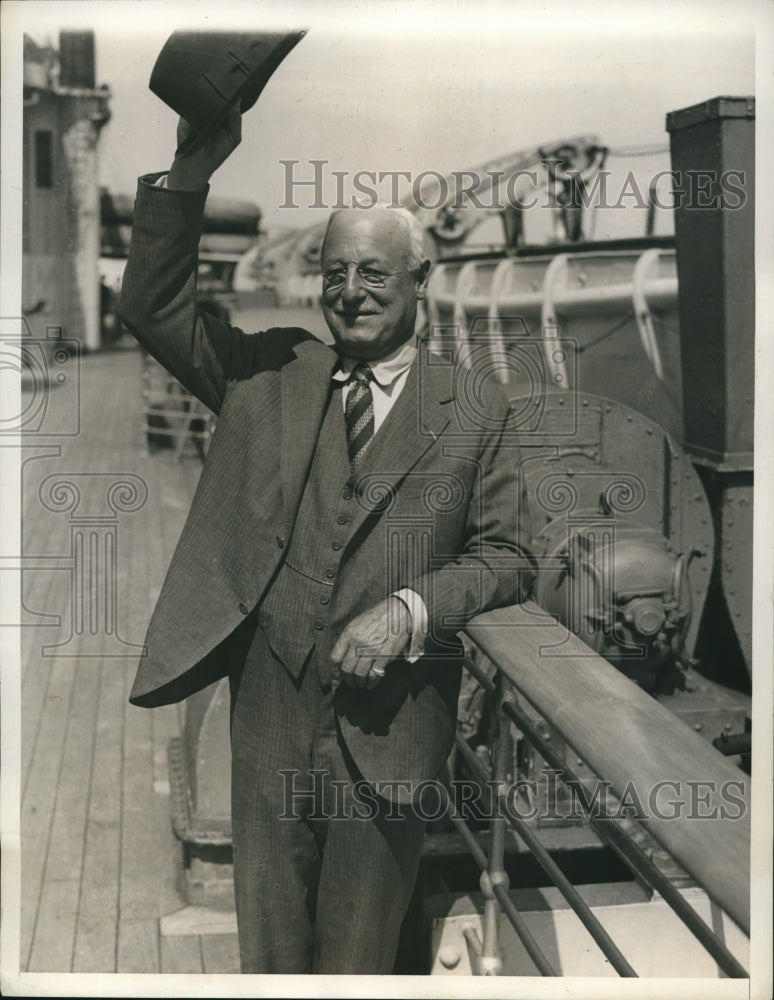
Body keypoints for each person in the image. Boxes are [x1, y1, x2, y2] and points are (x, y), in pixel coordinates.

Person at [120, 107, 535, 975]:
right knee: (270, 959)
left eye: (375, 272)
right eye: (335, 271)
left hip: (391, 735)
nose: (351, 291)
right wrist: (188, 173)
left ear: (423, 277)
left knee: (357, 962)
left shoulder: (476, 409)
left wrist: (413, 609)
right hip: (270, 719)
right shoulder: (269, 368)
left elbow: (509, 556)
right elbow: (155, 309)